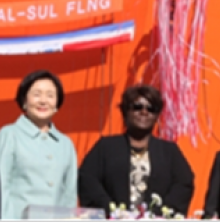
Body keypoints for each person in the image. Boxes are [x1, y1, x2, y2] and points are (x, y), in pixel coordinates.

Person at [78, 85, 194, 217]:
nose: (144, 112)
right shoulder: (105, 147)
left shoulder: (170, 151)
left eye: (151, 109)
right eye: (137, 107)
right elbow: (87, 179)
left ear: (156, 116)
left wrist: (159, 215)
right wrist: (112, 212)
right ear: (125, 111)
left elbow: (183, 184)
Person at [0, 70, 78, 219]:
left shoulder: (66, 144)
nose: (43, 101)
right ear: (25, 101)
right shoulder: (9, 135)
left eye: (50, 95)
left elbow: (69, 195)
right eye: (37, 94)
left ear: (57, 104)